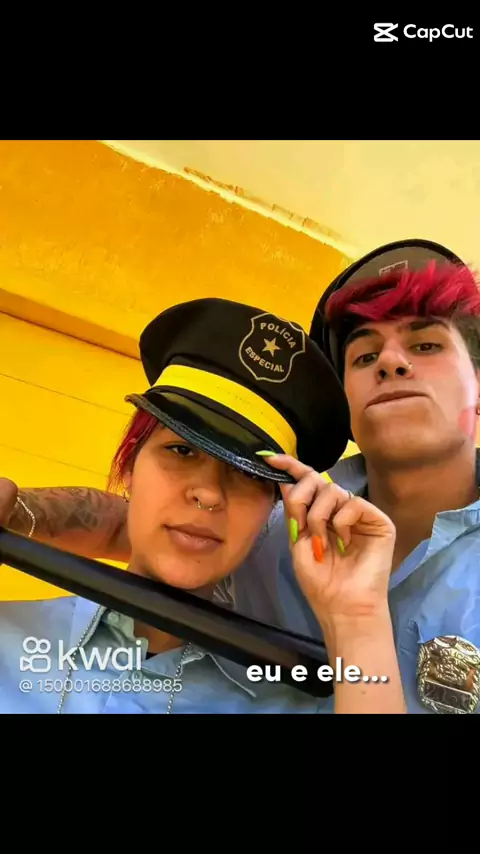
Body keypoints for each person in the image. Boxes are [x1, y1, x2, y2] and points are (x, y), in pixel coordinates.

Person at [8, 235, 478, 715]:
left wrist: (356, 621)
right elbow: (145, 527)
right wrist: (18, 510)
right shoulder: (293, 518)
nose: (391, 362)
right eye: (364, 356)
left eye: (426, 344)